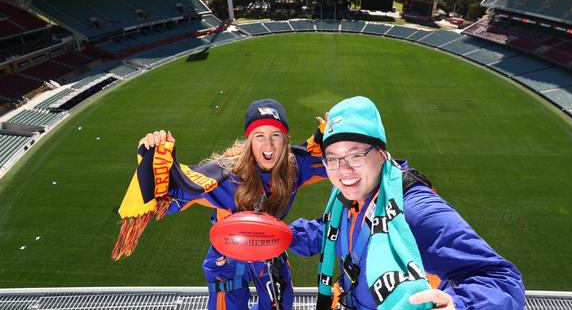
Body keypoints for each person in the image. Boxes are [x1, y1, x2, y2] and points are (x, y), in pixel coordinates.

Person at [289, 96, 526, 309]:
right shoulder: (348, 197)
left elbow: (502, 281)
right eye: (333, 158)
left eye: (355, 155)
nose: (344, 170)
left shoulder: (415, 211)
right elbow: (333, 231)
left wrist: (460, 305)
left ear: (381, 153)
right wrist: (285, 236)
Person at [112, 99, 327, 310]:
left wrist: (339, 134)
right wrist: (154, 152)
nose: (268, 145)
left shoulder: (294, 168)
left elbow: (334, 160)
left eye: (275, 135)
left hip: (268, 249)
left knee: (281, 303)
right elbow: (172, 190)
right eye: (259, 135)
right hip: (227, 257)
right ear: (249, 140)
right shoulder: (225, 177)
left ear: (285, 140)